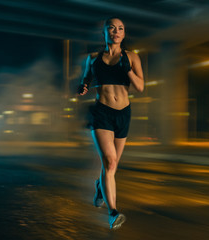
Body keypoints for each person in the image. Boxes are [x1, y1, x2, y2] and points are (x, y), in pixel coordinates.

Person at [78, 17, 144, 230]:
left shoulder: (132, 57)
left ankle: (99, 186)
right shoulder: (93, 58)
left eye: (120, 28)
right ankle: (113, 212)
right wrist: (84, 86)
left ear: (124, 34)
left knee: (111, 166)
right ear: (105, 32)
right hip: (102, 112)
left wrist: (128, 70)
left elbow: (141, 87)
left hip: (124, 113)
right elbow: (86, 79)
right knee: (110, 161)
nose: (116, 31)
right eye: (112, 28)